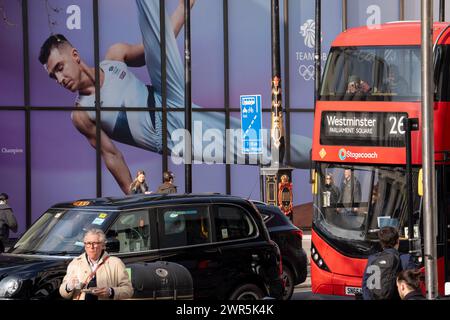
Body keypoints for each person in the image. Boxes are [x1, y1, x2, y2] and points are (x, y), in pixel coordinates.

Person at [38, 0, 311, 195]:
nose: (60, 79)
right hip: (170, 134)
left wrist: (183, 8)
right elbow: (112, 155)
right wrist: (134, 196)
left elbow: (155, 48)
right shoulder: (82, 114)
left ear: (74, 55)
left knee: (154, 34)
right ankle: (318, 155)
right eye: (53, 76)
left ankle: (323, 150)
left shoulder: (114, 56)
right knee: (256, 144)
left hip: (169, 97)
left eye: (59, 68)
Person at [59, 228, 133, 300]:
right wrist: (69, 287)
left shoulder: (115, 263)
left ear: (103, 245)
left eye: (95, 243)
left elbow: (128, 290)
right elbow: (63, 292)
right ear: (85, 246)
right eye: (88, 243)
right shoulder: (76, 263)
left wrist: (111, 291)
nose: (91, 247)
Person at [362, 226, 417, 300]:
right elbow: (413, 287)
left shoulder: (372, 259)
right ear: (398, 241)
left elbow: (365, 285)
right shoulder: (405, 259)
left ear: (381, 243)